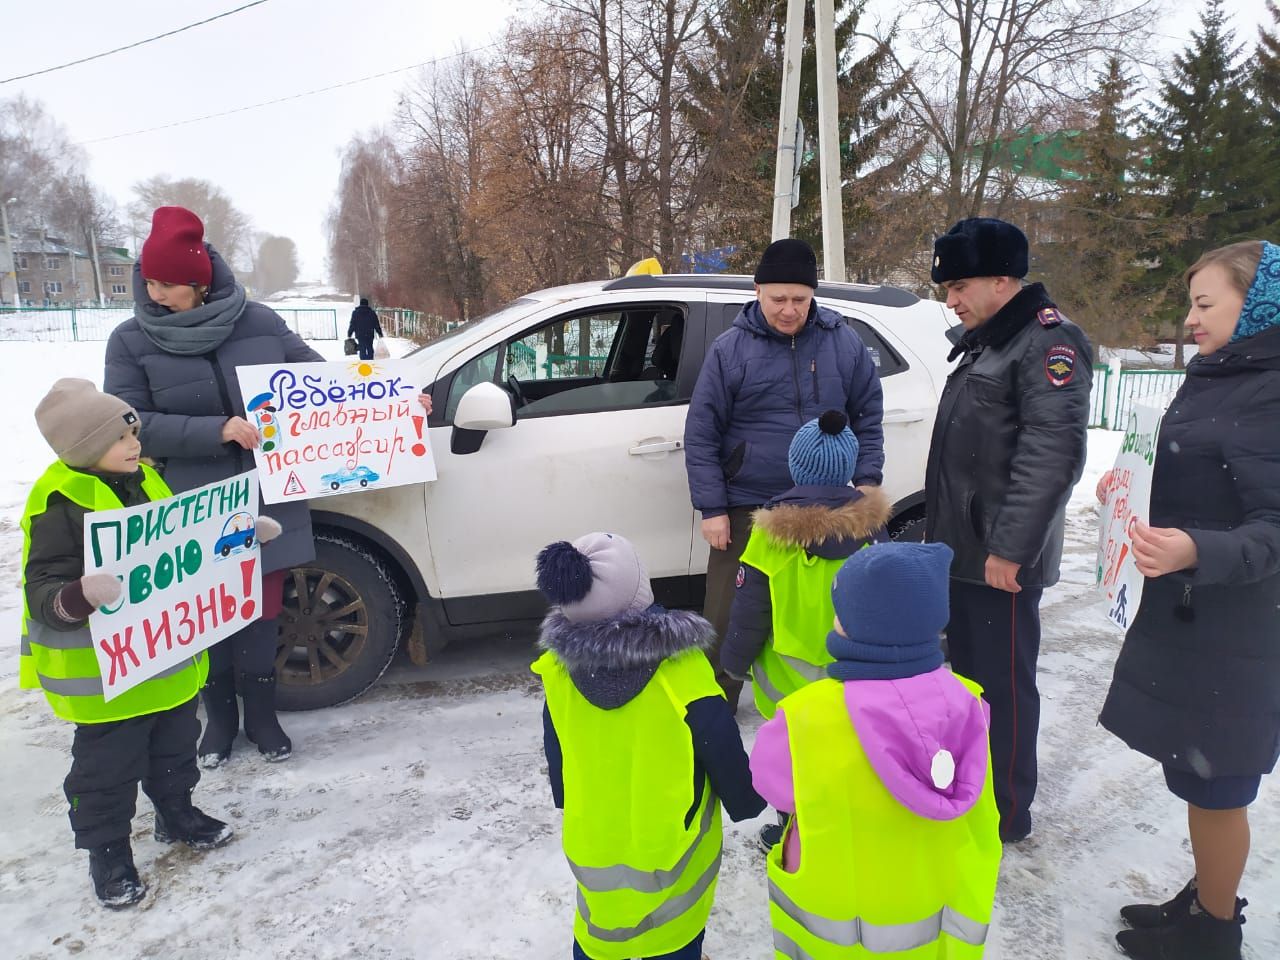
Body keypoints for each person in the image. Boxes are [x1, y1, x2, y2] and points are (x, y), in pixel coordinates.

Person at [1097, 240, 1280, 960]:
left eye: (1205, 304)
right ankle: (1210, 896)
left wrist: (1196, 550)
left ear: (1258, 304)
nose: (1189, 318)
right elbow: (1199, 471)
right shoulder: (1227, 375)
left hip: (1238, 632)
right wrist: (1131, 495)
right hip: (1199, 622)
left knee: (1219, 786)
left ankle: (1213, 932)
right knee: (1198, 777)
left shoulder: (1269, 391)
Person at [20, 379, 254, 907]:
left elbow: (181, 546)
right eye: (121, 438)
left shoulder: (147, 479)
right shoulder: (57, 503)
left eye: (134, 434)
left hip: (162, 658)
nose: (135, 446)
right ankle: (109, 853)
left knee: (174, 746)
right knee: (108, 769)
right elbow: (42, 589)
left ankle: (177, 813)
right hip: (106, 677)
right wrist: (79, 595)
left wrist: (238, 536)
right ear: (83, 447)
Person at [104, 206, 323, 767]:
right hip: (188, 503)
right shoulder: (130, 340)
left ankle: (264, 717)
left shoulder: (259, 321)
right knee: (209, 613)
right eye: (148, 281)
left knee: (261, 608)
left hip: (264, 496)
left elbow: (322, 386)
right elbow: (130, 422)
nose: (154, 294)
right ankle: (220, 719)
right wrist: (215, 430)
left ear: (200, 282)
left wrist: (390, 404)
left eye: (168, 283)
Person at [749, 541, 1001, 959]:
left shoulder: (805, 715)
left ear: (850, 623)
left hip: (839, 912)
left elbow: (772, 785)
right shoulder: (970, 702)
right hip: (933, 907)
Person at [925, 217, 1091, 844]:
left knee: (1003, 688)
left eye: (959, 284)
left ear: (1003, 280)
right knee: (967, 681)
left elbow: (1052, 456)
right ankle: (973, 792)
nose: (951, 299)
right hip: (964, 551)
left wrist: (1010, 550)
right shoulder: (990, 341)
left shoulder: (1048, 345)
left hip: (999, 559)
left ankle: (1006, 809)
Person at [531, 532, 765, 960]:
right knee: (676, 920)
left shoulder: (559, 672)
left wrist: (565, 796)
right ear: (640, 592)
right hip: (671, 834)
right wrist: (744, 800)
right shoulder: (682, 668)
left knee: (602, 921)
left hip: (595, 832)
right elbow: (717, 739)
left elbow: (556, 741)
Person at [685, 238, 885, 712]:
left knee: (825, 617)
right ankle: (716, 716)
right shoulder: (730, 349)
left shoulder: (844, 341)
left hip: (826, 506)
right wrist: (713, 507)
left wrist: (867, 480)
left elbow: (869, 416)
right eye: (779, 299)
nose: (790, 310)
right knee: (728, 617)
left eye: (800, 299)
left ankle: (828, 712)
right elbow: (701, 432)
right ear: (757, 292)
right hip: (749, 506)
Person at [721, 409, 890, 719]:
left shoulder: (769, 536)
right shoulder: (872, 531)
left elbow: (750, 610)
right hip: (854, 681)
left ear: (795, 467)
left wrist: (734, 660)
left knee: (793, 761)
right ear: (848, 467)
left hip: (786, 688)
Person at [347, 297, 384, 361]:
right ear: (367, 304)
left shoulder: (355, 313)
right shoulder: (372, 313)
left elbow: (352, 324)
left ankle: (363, 362)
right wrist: (380, 333)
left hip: (360, 334)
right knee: (370, 347)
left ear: (360, 304)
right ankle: (370, 361)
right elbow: (376, 324)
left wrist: (349, 333)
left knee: (362, 348)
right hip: (369, 333)